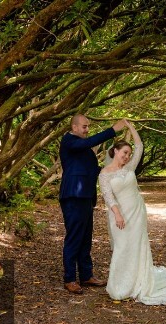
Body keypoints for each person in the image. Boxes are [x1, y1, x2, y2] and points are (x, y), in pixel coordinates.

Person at [99, 120, 166, 305]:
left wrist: (131, 127)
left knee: (137, 246)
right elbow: (108, 196)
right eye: (124, 153)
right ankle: (119, 286)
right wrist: (117, 214)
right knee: (122, 247)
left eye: (129, 154)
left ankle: (139, 283)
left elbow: (139, 146)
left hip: (137, 211)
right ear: (115, 151)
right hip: (119, 214)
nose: (127, 157)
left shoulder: (129, 168)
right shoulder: (104, 174)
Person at [59, 113, 126, 294]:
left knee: (86, 238)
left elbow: (91, 170)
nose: (87, 130)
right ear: (74, 127)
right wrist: (113, 130)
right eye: (84, 127)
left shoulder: (83, 148)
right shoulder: (69, 141)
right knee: (74, 237)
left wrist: (110, 170)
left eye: (88, 126)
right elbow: (87, 143)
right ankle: (70, 279)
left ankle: (86, 275)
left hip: (87, 197)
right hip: (74, 196)